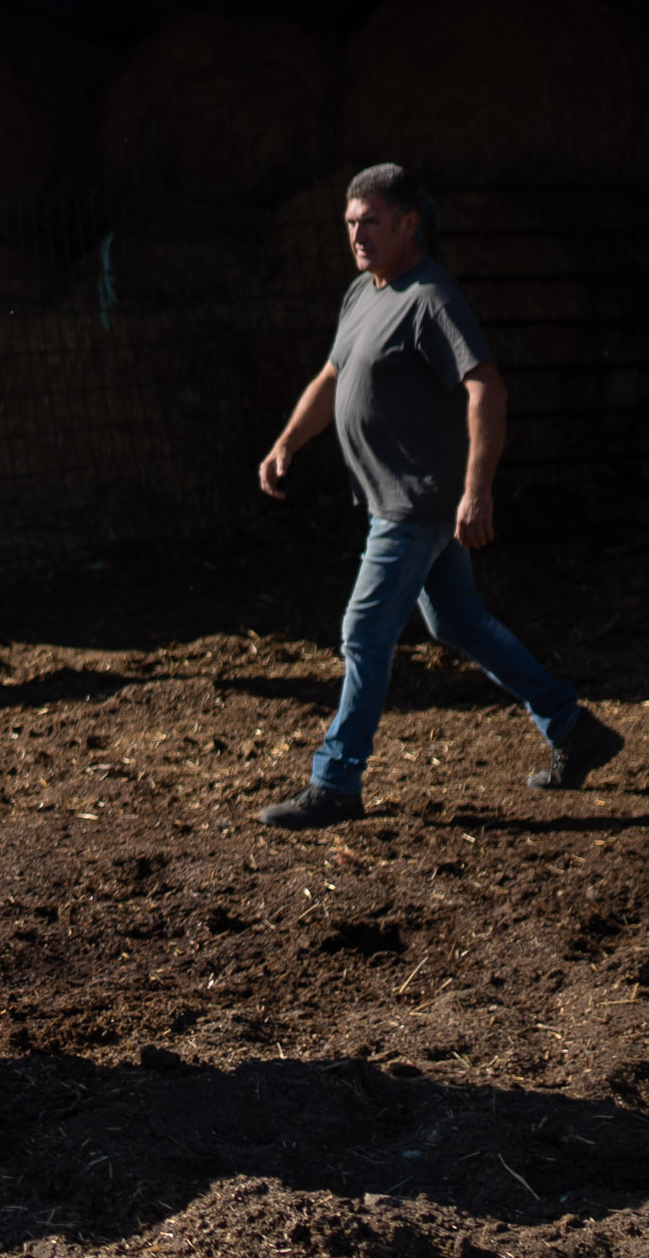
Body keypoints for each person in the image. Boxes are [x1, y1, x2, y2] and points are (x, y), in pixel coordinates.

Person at [252, 162, 620, 828]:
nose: (358, 235)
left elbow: (488, 388)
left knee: (364, 632)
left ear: (408, 222)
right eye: (351, 223)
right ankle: (574, 728)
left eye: (370, 222)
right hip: (396, 500)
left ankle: (336, 781)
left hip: (415, 505)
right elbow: (332, 377)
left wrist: (476, 491)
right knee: (458, 623)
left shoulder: (432, 297)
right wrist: (285, 443)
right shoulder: (365, 293)